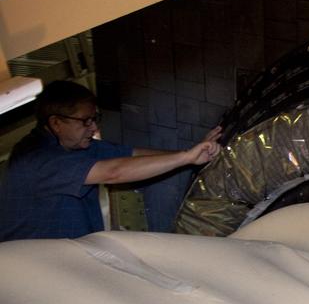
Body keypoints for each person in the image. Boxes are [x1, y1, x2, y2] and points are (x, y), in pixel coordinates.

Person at [0, 80, 222, 241]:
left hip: (70, 253)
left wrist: (190, 153)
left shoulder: (73, 144)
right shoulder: (36, 160)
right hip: (34, 267)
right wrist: (185, 158)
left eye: (95, 119)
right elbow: (113, 172)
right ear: (56, 123)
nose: (94, 128)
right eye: (86, 121)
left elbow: (129, 154)